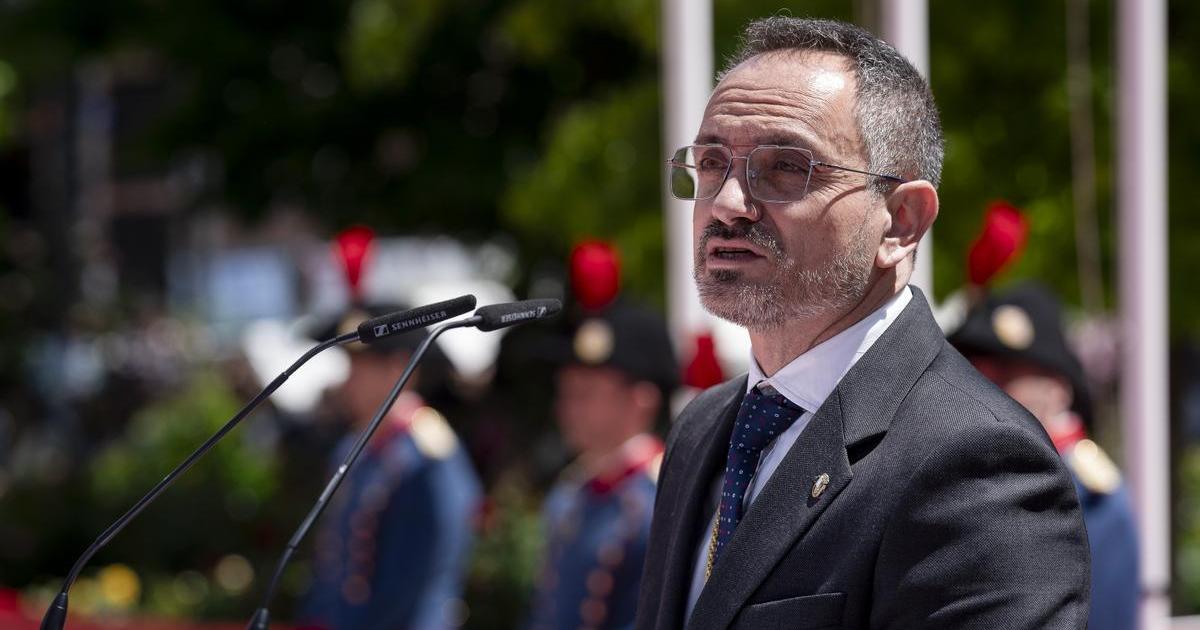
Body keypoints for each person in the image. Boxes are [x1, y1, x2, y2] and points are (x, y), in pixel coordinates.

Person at [636, 16, 1090, 629]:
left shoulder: (978, 461)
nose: (727, 203)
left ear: (901, 221)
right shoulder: (703, 428)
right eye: (712, 162)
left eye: (785, 167)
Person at [949, 282, 1139, 630]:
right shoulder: (962, 476)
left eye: (1007, 376)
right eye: (977, 372)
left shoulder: (1095, 499)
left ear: (1057, 389)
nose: (984, 390)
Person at [527, 243, 679, 630]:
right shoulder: (571, 492)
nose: (567, 407)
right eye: (565, 392)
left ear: (641, 400)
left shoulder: (665, 499)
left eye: (586, 393)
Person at [301, 304, 482, 630]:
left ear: (400, 370)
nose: (349, 380)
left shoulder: (428, 456)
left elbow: (420, 579)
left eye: (361, 368)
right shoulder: (353, 448)